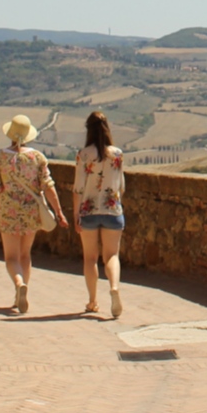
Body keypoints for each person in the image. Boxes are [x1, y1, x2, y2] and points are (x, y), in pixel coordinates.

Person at [0, 113, 65, 313]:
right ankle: (22, 293)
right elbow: (48, 185)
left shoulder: (0, 157)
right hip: (31, 211)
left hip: (7, 211)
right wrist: (58, 210)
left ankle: (18, 283)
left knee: (11, 257)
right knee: (25, 254)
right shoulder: (37, 158)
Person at [72, 111, 127, 318]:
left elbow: (78, 189)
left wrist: (76, 215)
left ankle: (93, 300)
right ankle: (114, 287)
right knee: (112, 255)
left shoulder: (84, 155)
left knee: (90, 258)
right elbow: (121, 186)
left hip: (89, 212)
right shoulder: (118, 154)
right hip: (113, 210)